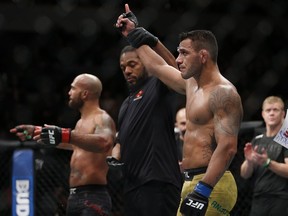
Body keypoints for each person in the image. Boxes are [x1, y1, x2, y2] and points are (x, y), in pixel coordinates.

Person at [115, 4, 243, 216]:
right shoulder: (192, 85)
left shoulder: (223, 93)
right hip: (191, 181)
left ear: (203, 56)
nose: (178, 59)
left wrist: (203, 190)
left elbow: (228, 147)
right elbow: (158, 66)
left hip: (212, 184)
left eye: (184, 53)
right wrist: (133, 35)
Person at [109, 10, 183, 215]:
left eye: (132, 64)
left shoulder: (157, 85)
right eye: (123, 67)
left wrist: (139, 35)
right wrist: (115, 156)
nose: (127, 71)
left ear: (146, 64)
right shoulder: (125, 104)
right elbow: (120, 142)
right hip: (133, 185)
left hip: (159, 181)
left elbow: (176, 70)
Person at [10, 73, 116, 216]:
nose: (69, 92)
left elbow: (105, 142)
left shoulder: (102, 118)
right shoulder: (81, 122)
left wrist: (65, 134)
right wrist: (37, 132)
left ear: (84, 94)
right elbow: (75, 144)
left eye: (73, 88)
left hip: (93, 195)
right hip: (74, 195)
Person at [240, 96, 288, 216]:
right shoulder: (257, 140)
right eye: (268, 110)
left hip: (281, 198)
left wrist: (267, 162)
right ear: (263, 114)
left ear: (283, 114)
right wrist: (249, 162)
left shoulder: (285, 138)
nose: (271, 113)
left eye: (275, 110)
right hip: (258, 198)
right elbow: (244, 174)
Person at [175, 107, 186, 171]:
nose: (186, 127)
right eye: (183, 123)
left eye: (189, 123)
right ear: (176, 125)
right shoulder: (170, 142)